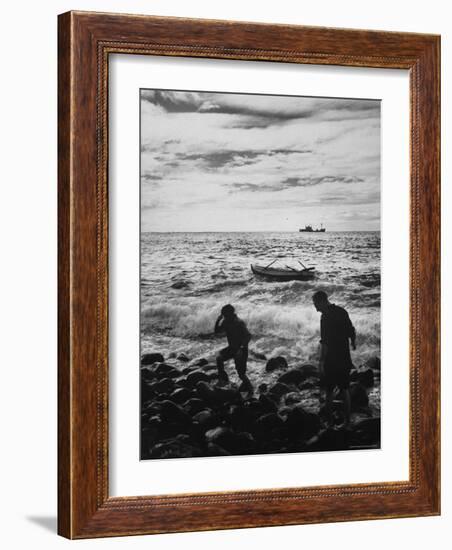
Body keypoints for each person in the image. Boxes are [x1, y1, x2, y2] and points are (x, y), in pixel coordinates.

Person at [312, 290, 356, 428]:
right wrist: (353, 343)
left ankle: (330, 423)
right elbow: (351, 330)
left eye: (315, 304)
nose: (315, 307)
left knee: (329, 390)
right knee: (345, 389)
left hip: (332, 360)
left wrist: (321, 361)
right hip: (344, 357)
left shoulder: (325, 317)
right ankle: (347, 422)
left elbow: (325, 342)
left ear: (322, 301)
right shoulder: (342, 311)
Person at [214, 304, 253, 393]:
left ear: (231, 314)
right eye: (223, 315)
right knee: (219, 358)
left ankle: (250, 389)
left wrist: (241, 348)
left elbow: (248, 336)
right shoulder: (226, 321)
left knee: (241, 374)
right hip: (231, 348)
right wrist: (218, 320)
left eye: (225, 315)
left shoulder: (239, 322)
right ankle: (223, 380)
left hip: (242, 350)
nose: (224, 317)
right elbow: (217, 332)